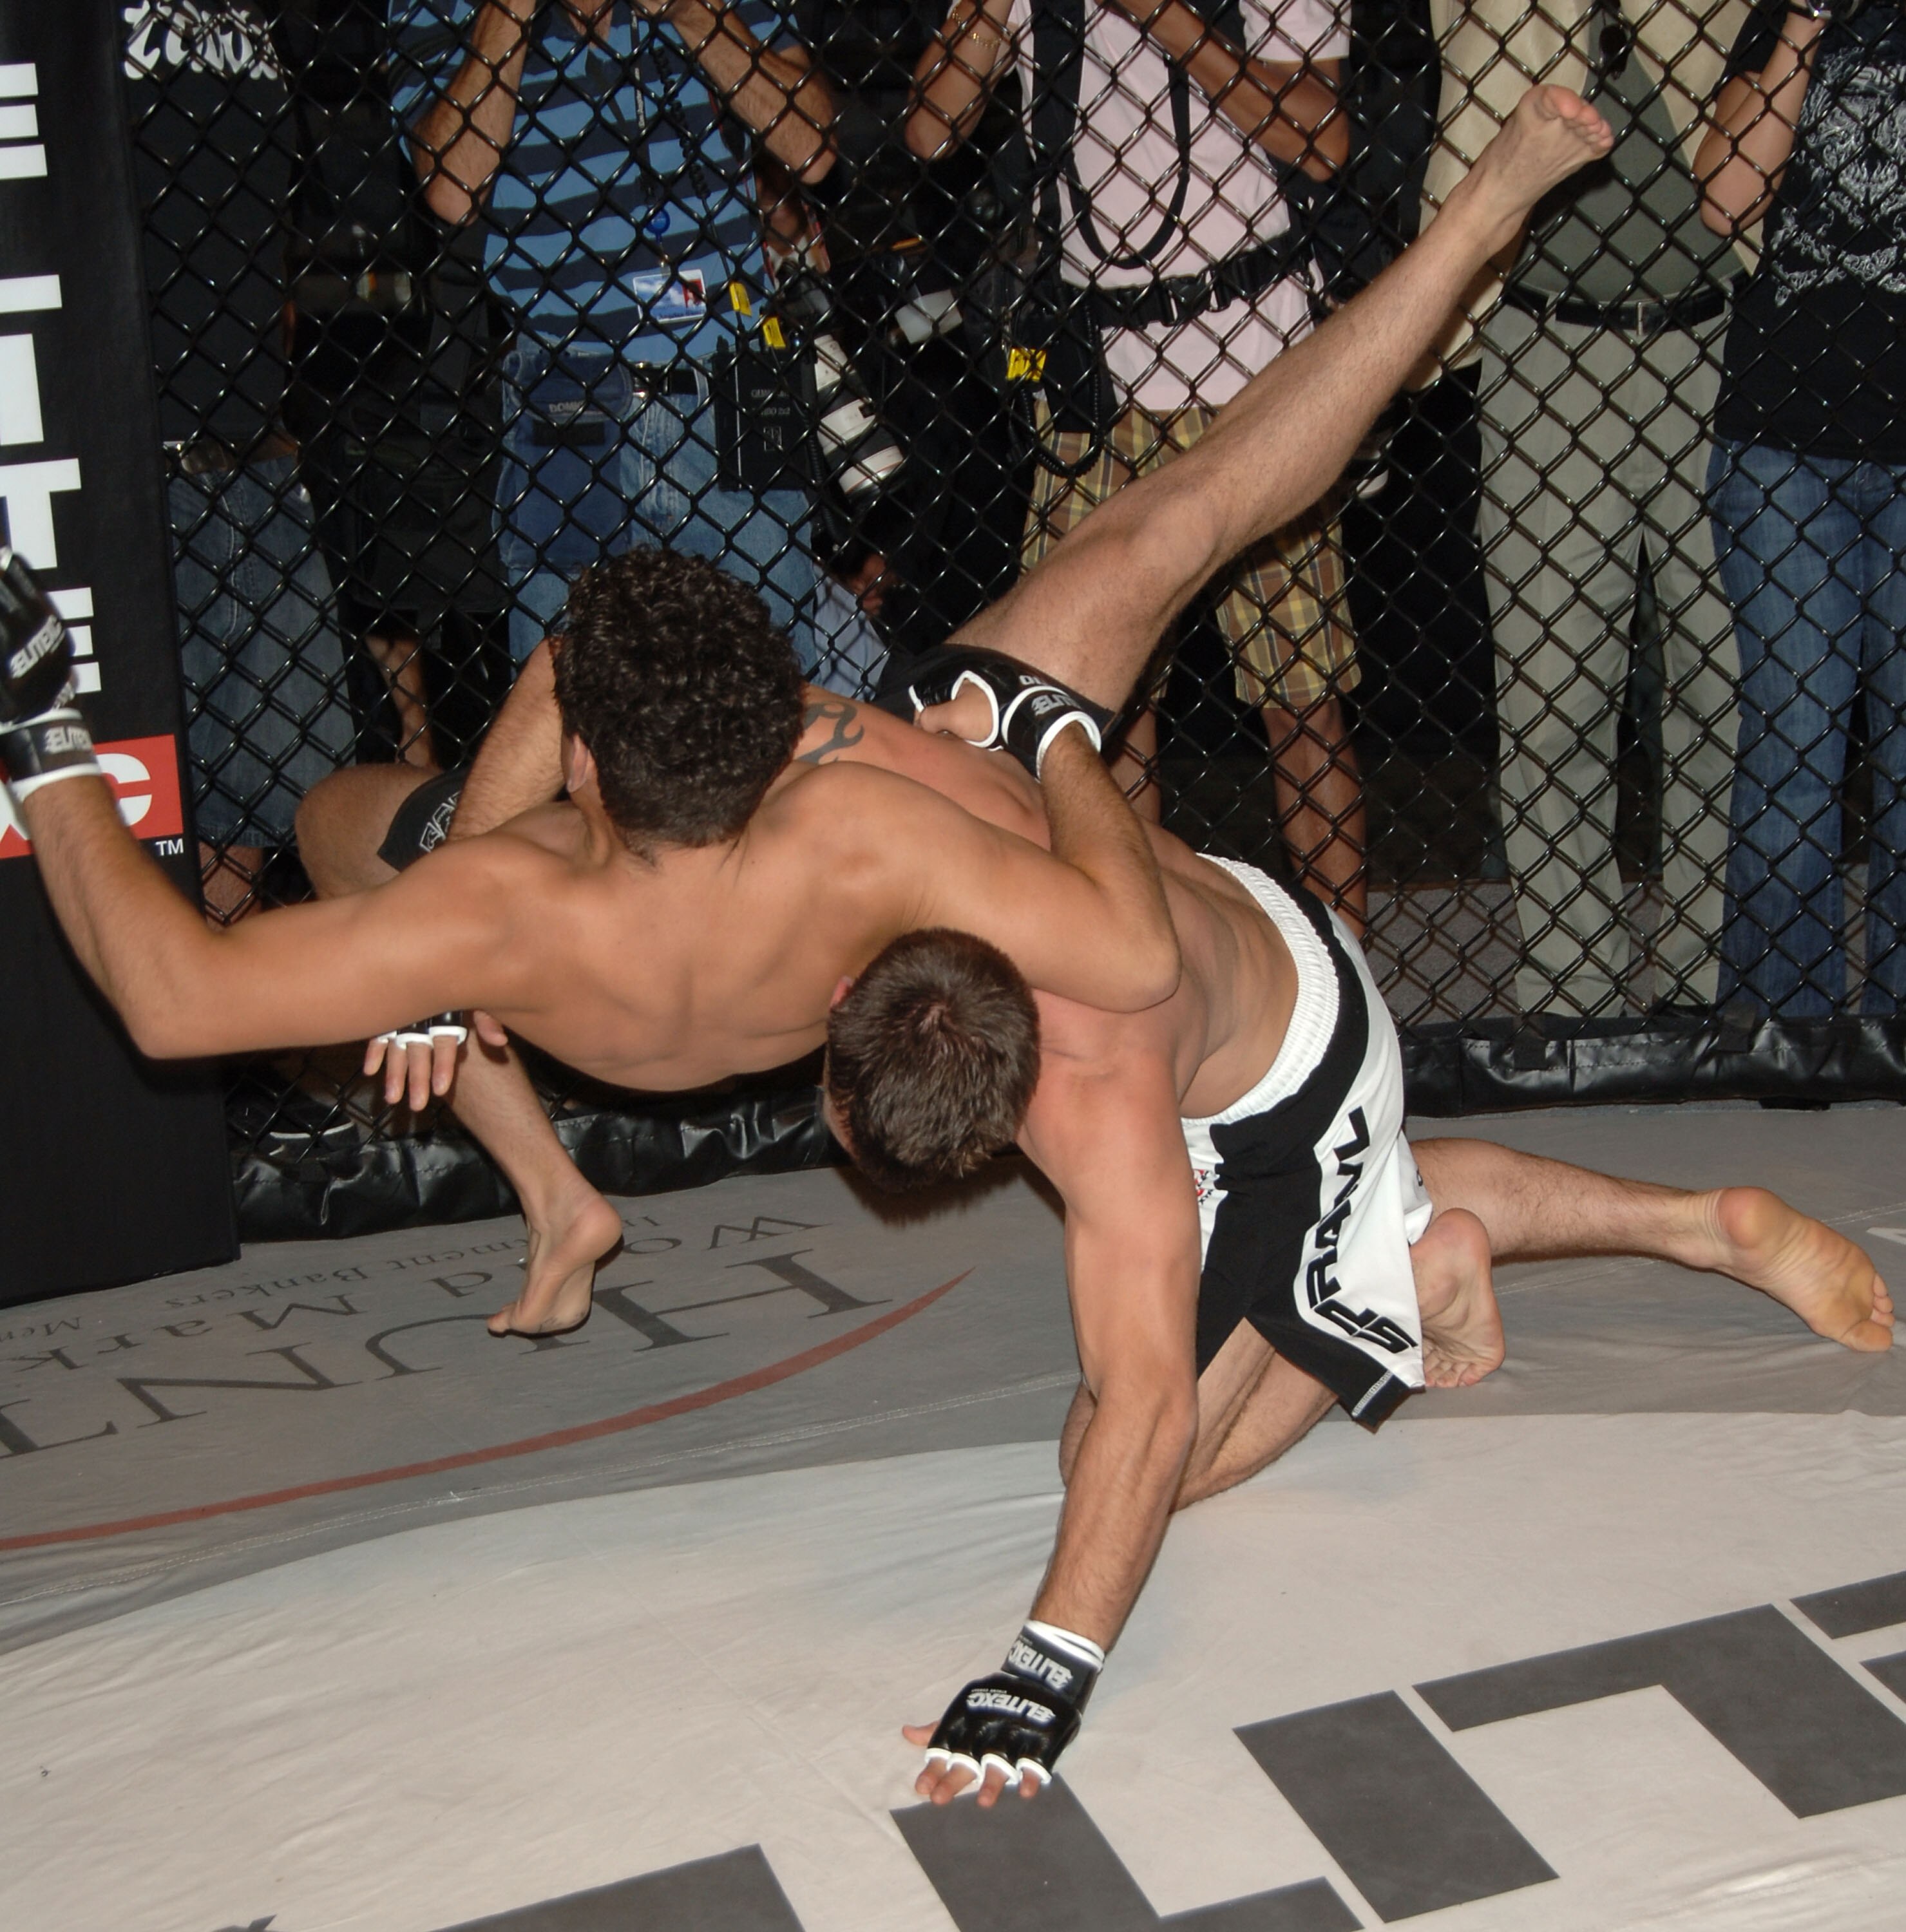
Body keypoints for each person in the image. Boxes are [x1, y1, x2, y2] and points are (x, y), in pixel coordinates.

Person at [283, 86, 1619, 1343]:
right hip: (930, 802)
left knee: (1175, 519)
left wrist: (429, 954)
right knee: (1181, 523)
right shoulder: (607, 938)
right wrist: (433, 960)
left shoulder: (564, 890)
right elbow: (585, 679)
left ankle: (1473, 217)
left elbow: (541, 702)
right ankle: (547, 1176)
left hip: (902, 760)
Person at [819, 813, 1894, 1806]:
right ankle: (1695, 1225)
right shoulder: (937, 837)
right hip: (1278, 948)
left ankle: (1404, 1280)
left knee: (1107, 1455)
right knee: (1368, 1173)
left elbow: (1146, 1414)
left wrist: (1038, 1679)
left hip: (1283, 1105)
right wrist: (1046, 732)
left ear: (1002, 1122)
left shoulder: (1099, 1131)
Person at [906, 0, 1371, 929]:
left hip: (1258, 373)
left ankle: (1346, 974)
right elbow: (929, 127)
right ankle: (1135, 955)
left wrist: (1170, 21)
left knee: (1300, 702)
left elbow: (1322, 137)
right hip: (1094, 383)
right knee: (1092, 708)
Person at [1420, 0, 1756, 1015]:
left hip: (1726, 337)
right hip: (1544, 343)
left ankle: (1707, 978)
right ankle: (1572, 991)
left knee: (1725, 685)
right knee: (1549, 694)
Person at [388, 0, 830, 665]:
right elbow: (452, 188)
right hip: (568, 388)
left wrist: (690, 15)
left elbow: (813, 147)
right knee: (570, 700)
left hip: (736, 373)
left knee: (776, 677)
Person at [124, 0, 357, 923]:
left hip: (250, 464)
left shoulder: (257, 20)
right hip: (124, 477)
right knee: (134, 811)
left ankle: (220, 1048)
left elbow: (265, 233)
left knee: (269, 814)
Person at [1695, 0, 1906, 1018]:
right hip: (1782, 439)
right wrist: (1802, 27)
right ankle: (1780, 1030)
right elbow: (1725, 197)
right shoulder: (1792, 15)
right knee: (1792, 748)